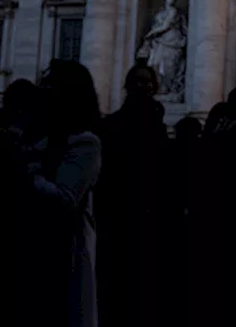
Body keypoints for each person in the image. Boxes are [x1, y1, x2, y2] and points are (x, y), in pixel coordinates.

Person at [30, 60, 103, 327]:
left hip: (63, 246)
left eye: (50, 86)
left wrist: (22, 171)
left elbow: (65, 199)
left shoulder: (84, 141)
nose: (42, 91)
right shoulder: (36, 135)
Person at [95, 64, 169, 327]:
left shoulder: (157, 125)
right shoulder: (113, 125)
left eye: (148, 82)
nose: (144, 86)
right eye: (139, 82)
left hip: (150, 218)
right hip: (119, 216)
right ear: (127, 86)